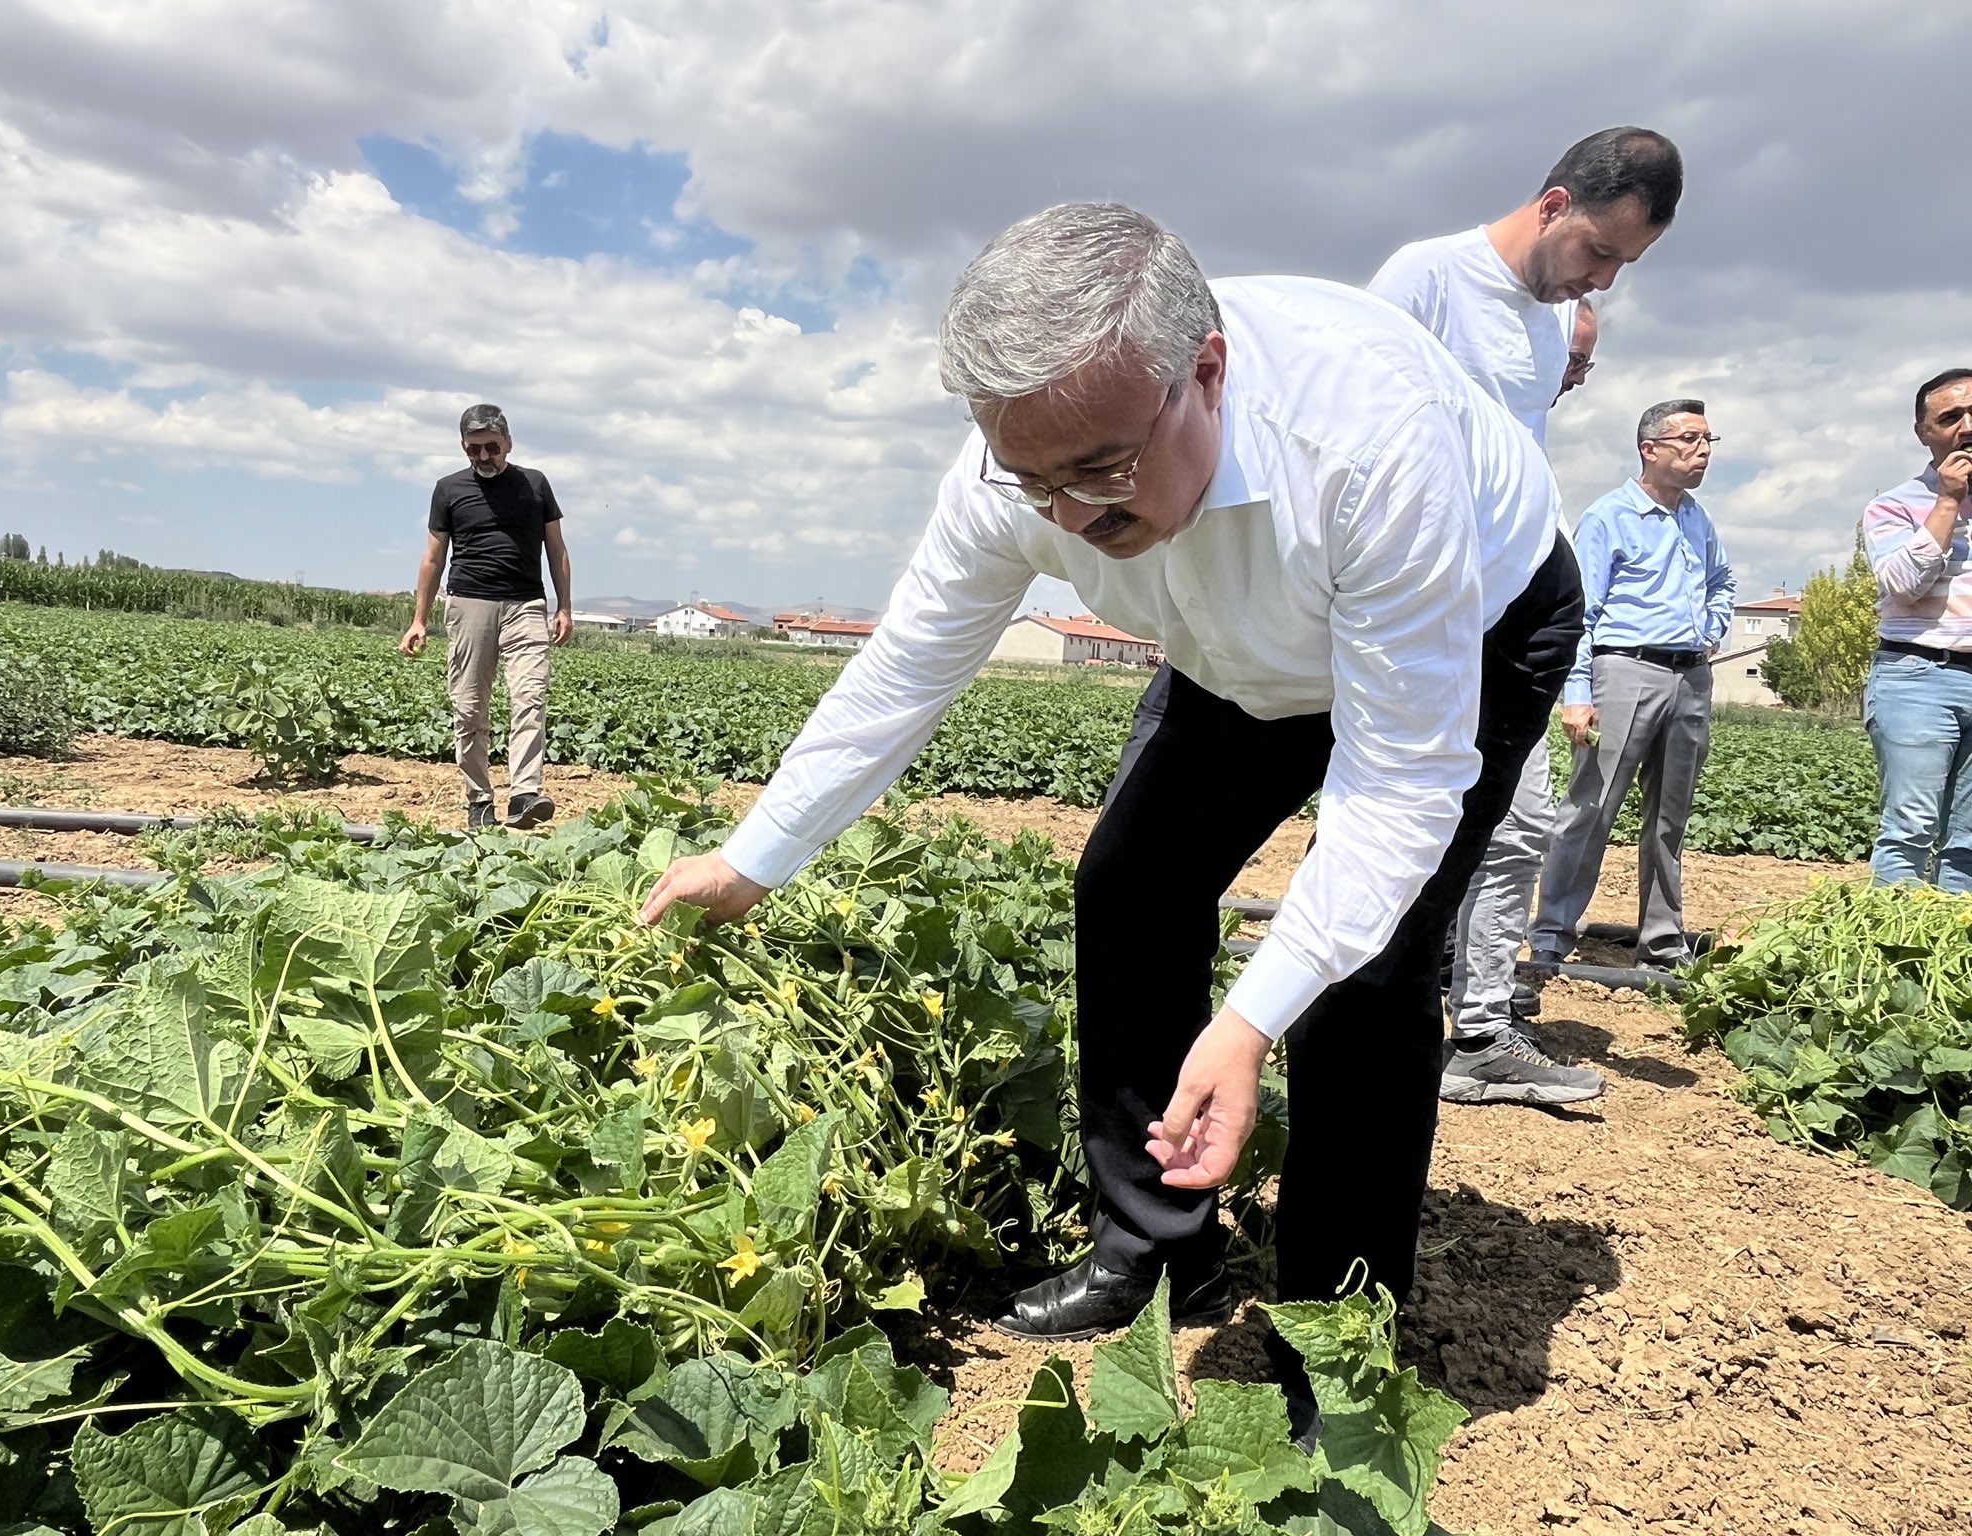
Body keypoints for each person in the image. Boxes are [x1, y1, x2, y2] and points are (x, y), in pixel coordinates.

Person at [637, 204, 1582, 1429]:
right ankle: (1154, 1250)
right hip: (1237, 646)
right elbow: (908, 664)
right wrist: (752, 858)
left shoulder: (1363, 439)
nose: (1070, 517)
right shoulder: (1021, 470)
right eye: (1034, 480)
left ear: (1208, 368)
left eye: (1098, 471)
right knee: (1129, 887)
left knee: (1367, 977)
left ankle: (1335, 1350)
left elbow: (1398, 786)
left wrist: (1245, 1025)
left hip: (1467, 620)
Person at [1370, 125, 1682, 1106]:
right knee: (1393, 822)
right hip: (1419, 612)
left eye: (1622, 266)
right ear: (1551, 206)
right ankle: (1373, 1015)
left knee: (1515, 827)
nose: (1599, 281)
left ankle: (1476, 1028)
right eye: (1597, 252)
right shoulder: (1422, 279)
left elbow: (1516, 460)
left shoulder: (1552, 325)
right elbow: (1361, 435)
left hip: (1510, 617)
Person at [1531, 400, 1735, 970]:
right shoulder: (1609, 517)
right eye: (1689, 440)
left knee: (1670, 816)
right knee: (1591, 807)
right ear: (1650, 449)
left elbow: (1723, 580)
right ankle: (1551, 934)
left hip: (1691, 676)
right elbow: (1581, 612)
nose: (1703, 451)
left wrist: (1710, 628)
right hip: (1625, 671)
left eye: (1707, 439)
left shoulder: (1697, 517)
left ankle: (1663, 942)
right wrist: (1577, 693)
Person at [401, 404, 573, 831]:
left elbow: (557, 549)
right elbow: (433, 557)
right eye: (473, 449)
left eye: (491, 448)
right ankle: (479, 800)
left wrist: (564, 604)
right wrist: (419, 619)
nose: (483, 457)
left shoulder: (535, 485)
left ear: (508, 443)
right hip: (469, 603)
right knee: (469, 706)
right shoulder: (448, 489)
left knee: (530, 697)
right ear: (463, 447)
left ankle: (524, 794)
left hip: (526, 605)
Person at [1860, 368, 1972, 888]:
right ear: (1924, 432)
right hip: (1919, 676)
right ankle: (1890, 956)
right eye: (1950, 418)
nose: (1967, 426)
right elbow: (1904, 584)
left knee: (1969, 839)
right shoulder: (1894, 505)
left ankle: (1952, 956)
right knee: (1911, 829)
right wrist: (1948, 501)